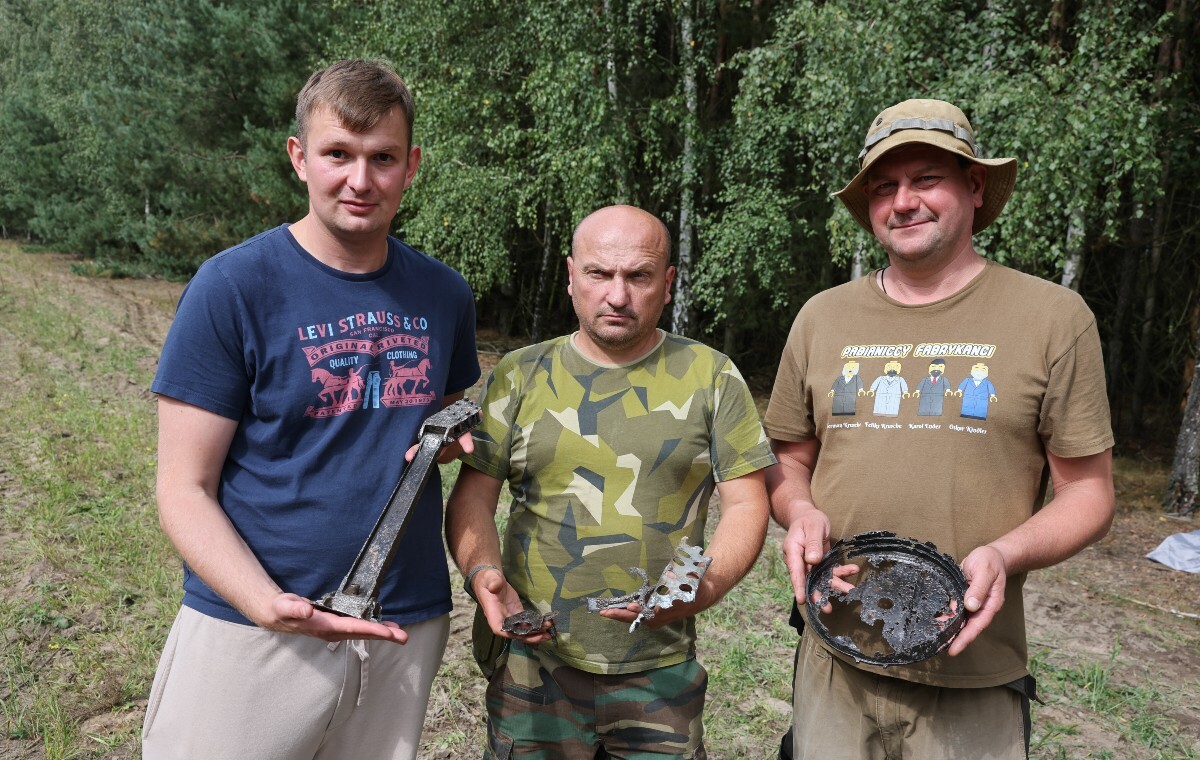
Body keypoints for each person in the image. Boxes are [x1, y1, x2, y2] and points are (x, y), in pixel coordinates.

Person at [141, 59, 480, 760]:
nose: (361, 180)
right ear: (299, 157)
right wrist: (263, 602)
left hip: (403, 624)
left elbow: (435, 426)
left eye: (382, 158)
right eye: (338, 155)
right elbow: (183, 486)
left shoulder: (444, 295)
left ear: (411, 166)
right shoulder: (233, 287)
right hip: (258, 627)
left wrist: (447, 444)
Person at [765, 99, 1115, 759]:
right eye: (884, 186)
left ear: (975, 187)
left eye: (926, 179)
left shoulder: (1051, 317)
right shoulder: (823, 317)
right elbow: (789, 459)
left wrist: (1004, 556)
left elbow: (1089, 494)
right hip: (836, 653)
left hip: (972, 666)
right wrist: (800, 508)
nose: (903, 202)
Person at [445, 205, 775, 758]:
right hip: (534, 663)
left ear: (667, 284)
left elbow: (746, 504)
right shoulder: (521, 374)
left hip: (659, 669)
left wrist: (703, 589)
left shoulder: (711, 376)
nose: (617, 295)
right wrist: (483, 574)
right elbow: (473, 497)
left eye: (638, 276)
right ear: (572, 275)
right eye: (599, 274)